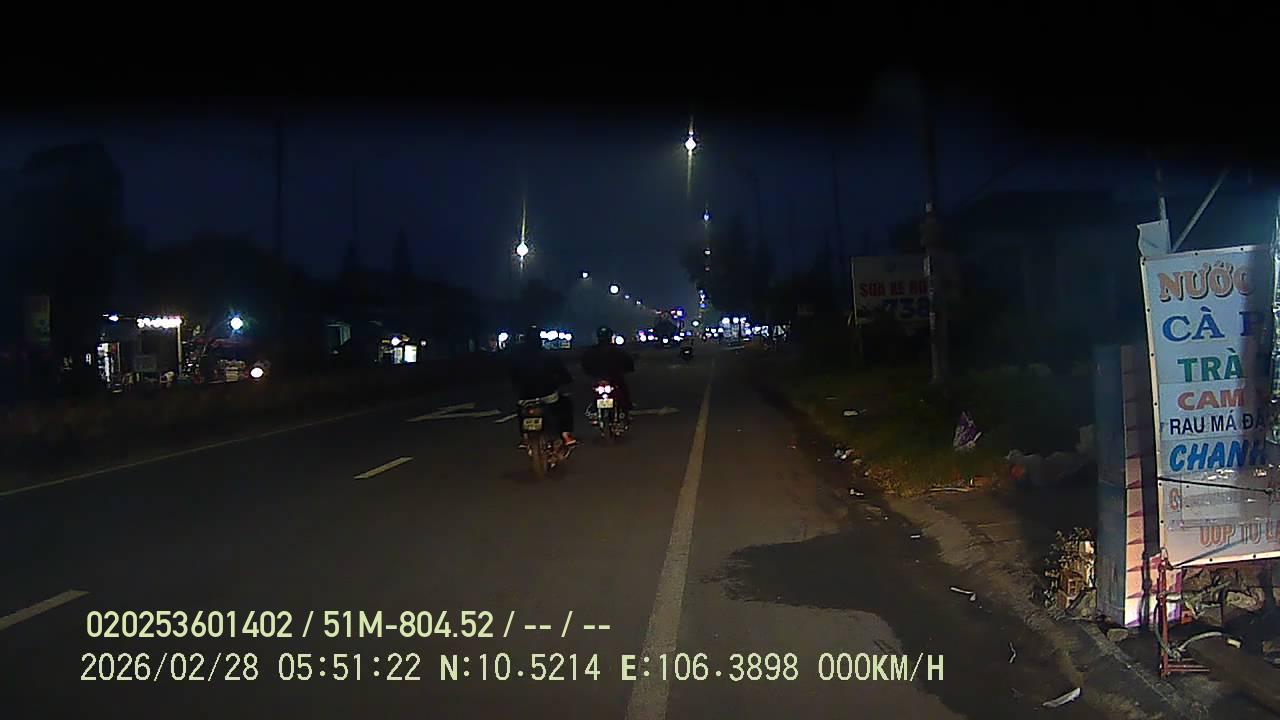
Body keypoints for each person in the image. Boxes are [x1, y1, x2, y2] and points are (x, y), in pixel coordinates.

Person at [510, 325, 578, 448]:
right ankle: (566, 435)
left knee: (521, 410)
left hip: (525, 396)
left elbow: (512, 377)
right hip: (548, 394)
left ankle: (525, 437)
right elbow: (563, 374)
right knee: (565, 405)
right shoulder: (549, 356)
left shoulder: (517, 358)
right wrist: (565, 380)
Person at [581, 326, 636, 419]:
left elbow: (585, 365)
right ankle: (626, 407)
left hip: (599, 377)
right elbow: (628, 362)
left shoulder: (591, 351)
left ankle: (594, 409)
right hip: (612, 377)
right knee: (623, 389)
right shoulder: (618, 350)